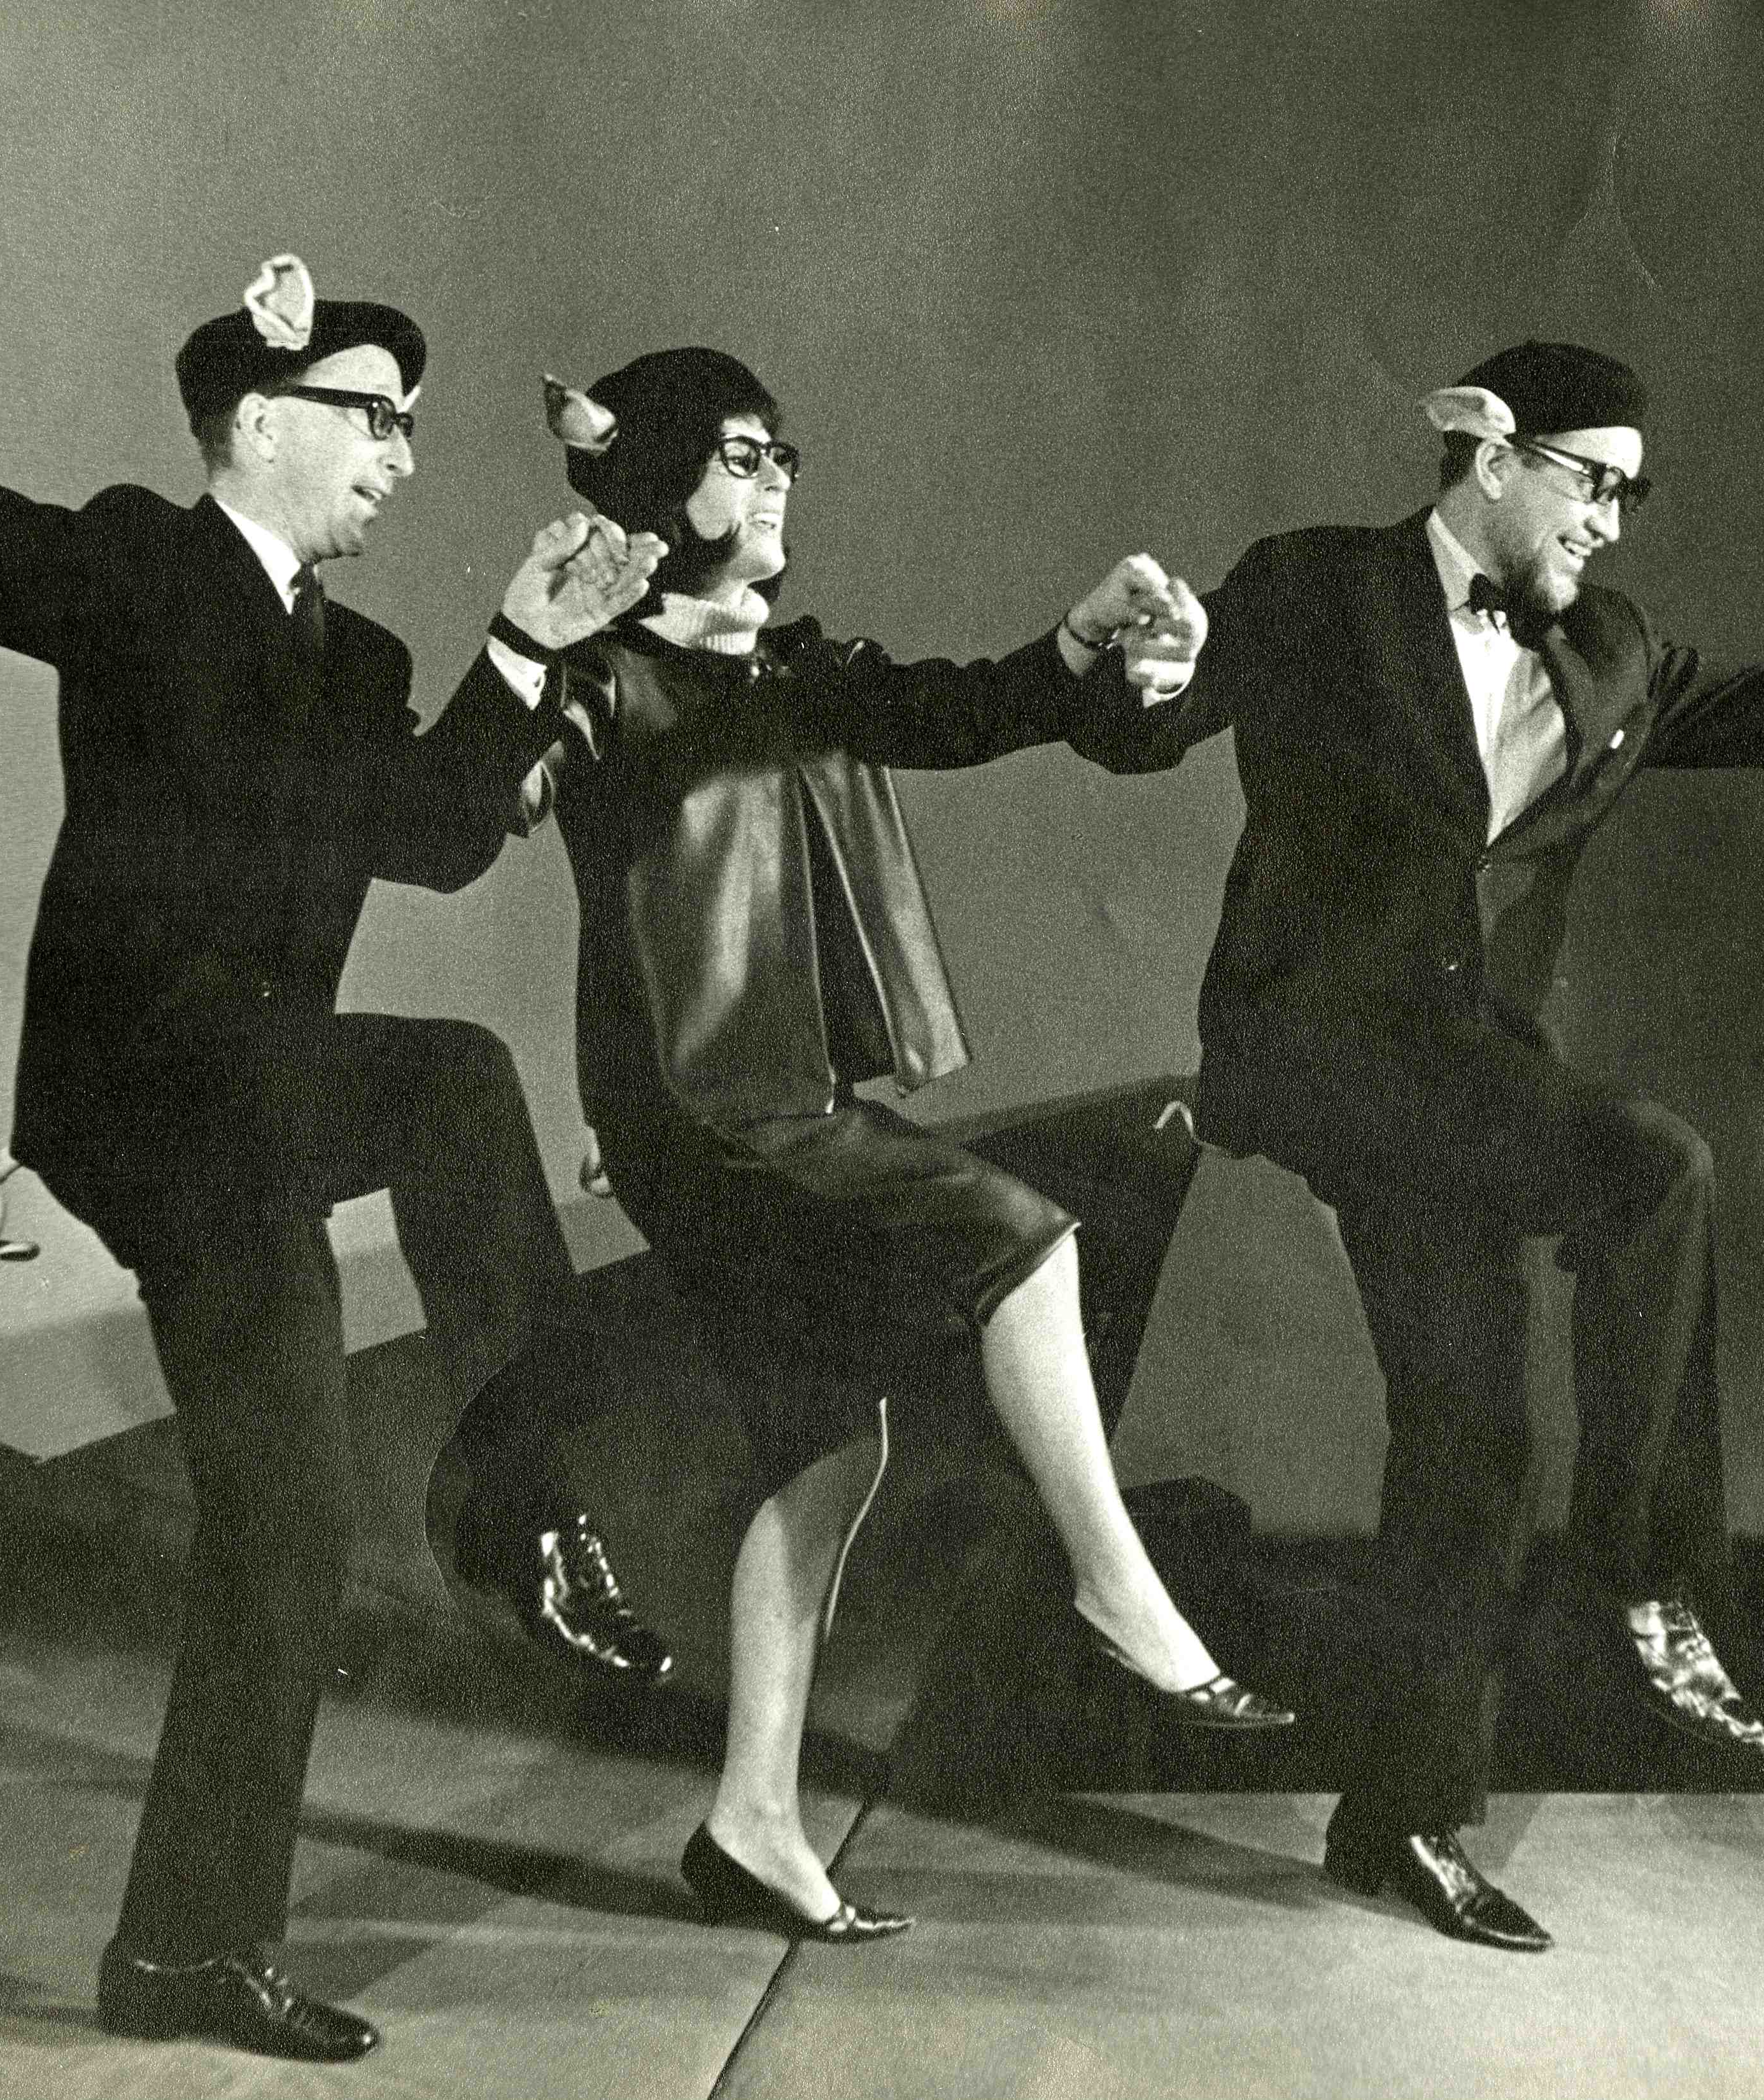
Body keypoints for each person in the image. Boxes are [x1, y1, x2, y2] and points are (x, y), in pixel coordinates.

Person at [0, 257, 676, 2062]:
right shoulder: (148, 564)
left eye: (414, 429)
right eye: (376, 420)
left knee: (285, 1531)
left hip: (252, 1131)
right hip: (151, 1084)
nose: (405, 458)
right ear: (260, 422)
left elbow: (437, 835)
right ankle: (520, 1507)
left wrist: (524, 644)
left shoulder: (364, 661)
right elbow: (4, 556)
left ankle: (184, 1956)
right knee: (454, 1080)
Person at [1075, 341, 1764, 1953]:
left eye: (1630, 495)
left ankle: (1398, 1819)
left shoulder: (1608, 647)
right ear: (1491, 456)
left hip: (1470, 1088)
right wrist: (1157, 670)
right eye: (1593, 484)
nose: (1612, 520)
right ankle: (1639, 1576)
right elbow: (1156, 726)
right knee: (1653, 1163)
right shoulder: (1316, 588)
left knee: (1470, 1439)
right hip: (1328, 1059)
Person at [470, 344, 1287, 1943]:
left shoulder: (798, 670)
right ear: (665, 486)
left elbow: (961, 710)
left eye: (785, 453)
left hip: (788, 1109)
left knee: (831, 1444)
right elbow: (482, 800)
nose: (779, 478)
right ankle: (1117, 1589)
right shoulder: (601, 681)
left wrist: (1077, 641)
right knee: (1023, 1239)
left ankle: (752, 1824)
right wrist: (530, 653)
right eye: (743, 454)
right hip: (700, 1114)